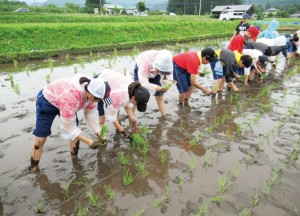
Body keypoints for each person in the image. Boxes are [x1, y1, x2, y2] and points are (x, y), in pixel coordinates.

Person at [30, 74, 112, 172]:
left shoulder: (92, 89)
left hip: (69, 105)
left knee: (75, 136)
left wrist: (98, 131)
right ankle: (34, 168)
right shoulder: (71, 95)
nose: (99, 102)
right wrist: (89, 142)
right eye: (100, 99)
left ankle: (74, 160)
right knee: (40, 140)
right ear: (91, 96)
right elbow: (69, 128)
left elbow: (91, 115)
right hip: (48, 102)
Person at [96, 69, 150, 139]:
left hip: (113, 84)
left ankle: (118, 128)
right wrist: (123, 131)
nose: (136, 105)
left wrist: (134, 121)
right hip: (100, 84)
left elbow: (127, 106)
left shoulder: (133, 90)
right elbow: (111, 116)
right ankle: (102, 138)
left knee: (116, 110)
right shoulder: (117, 97)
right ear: (133, 98)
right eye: (137, 104)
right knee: (102, 118)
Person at [134, 49, 173, 117]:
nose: (160, 73)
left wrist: (167, 86)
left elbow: (169, 78)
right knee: (136, 96)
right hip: (143, 71)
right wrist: (157, 87)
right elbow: (143, 83)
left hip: (155, 71)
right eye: (160, 71)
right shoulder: (145, 63)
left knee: (160, 96)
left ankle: (164, 115)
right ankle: (131, 117)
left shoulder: (167, 64)